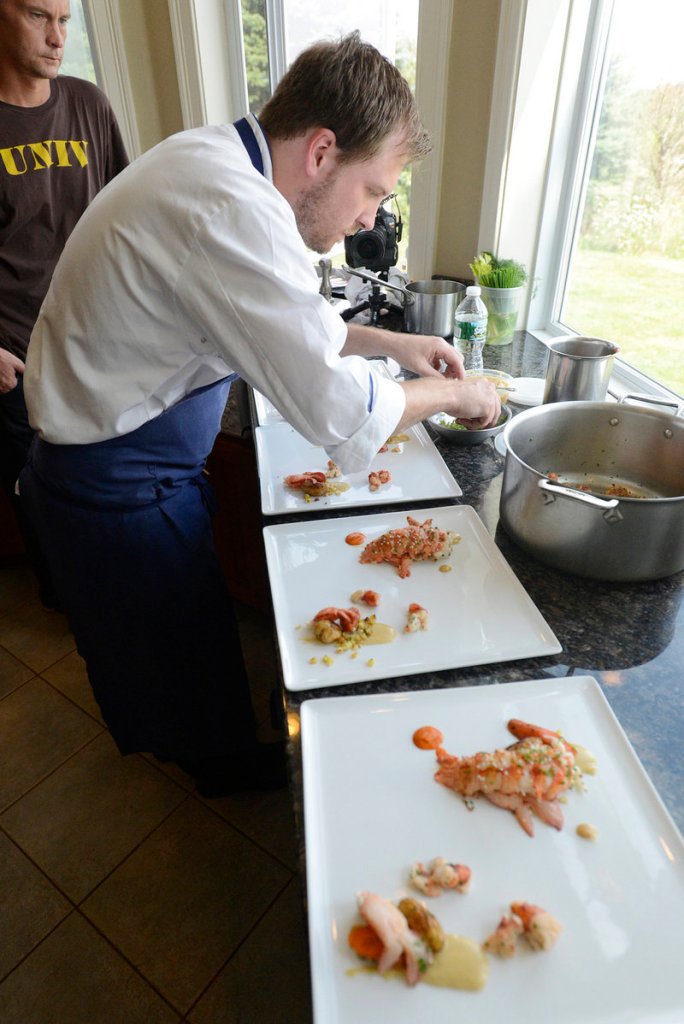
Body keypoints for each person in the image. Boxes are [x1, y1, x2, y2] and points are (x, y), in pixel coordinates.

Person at [20, 32, 500, 797]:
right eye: (373, 190)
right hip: (114, 486)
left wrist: (394, 342)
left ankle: (217, 752)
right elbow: (342, 412)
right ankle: (223, 779)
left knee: (191, 637)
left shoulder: (220, 160)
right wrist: (458, 395)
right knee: (172, 655)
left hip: (139, 468)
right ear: (321, 151)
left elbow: (285, 318)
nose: (369, 217)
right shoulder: (228, 206)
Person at [0, 0, 128, 605]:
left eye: (65, 20)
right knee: (43, 501)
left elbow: (128, 220)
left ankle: (114, 601)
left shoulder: (88, 104)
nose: (57, 38)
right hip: (18, 362)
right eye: (36, 16)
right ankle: (70, 608)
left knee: (103, 489)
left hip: (98, 346)